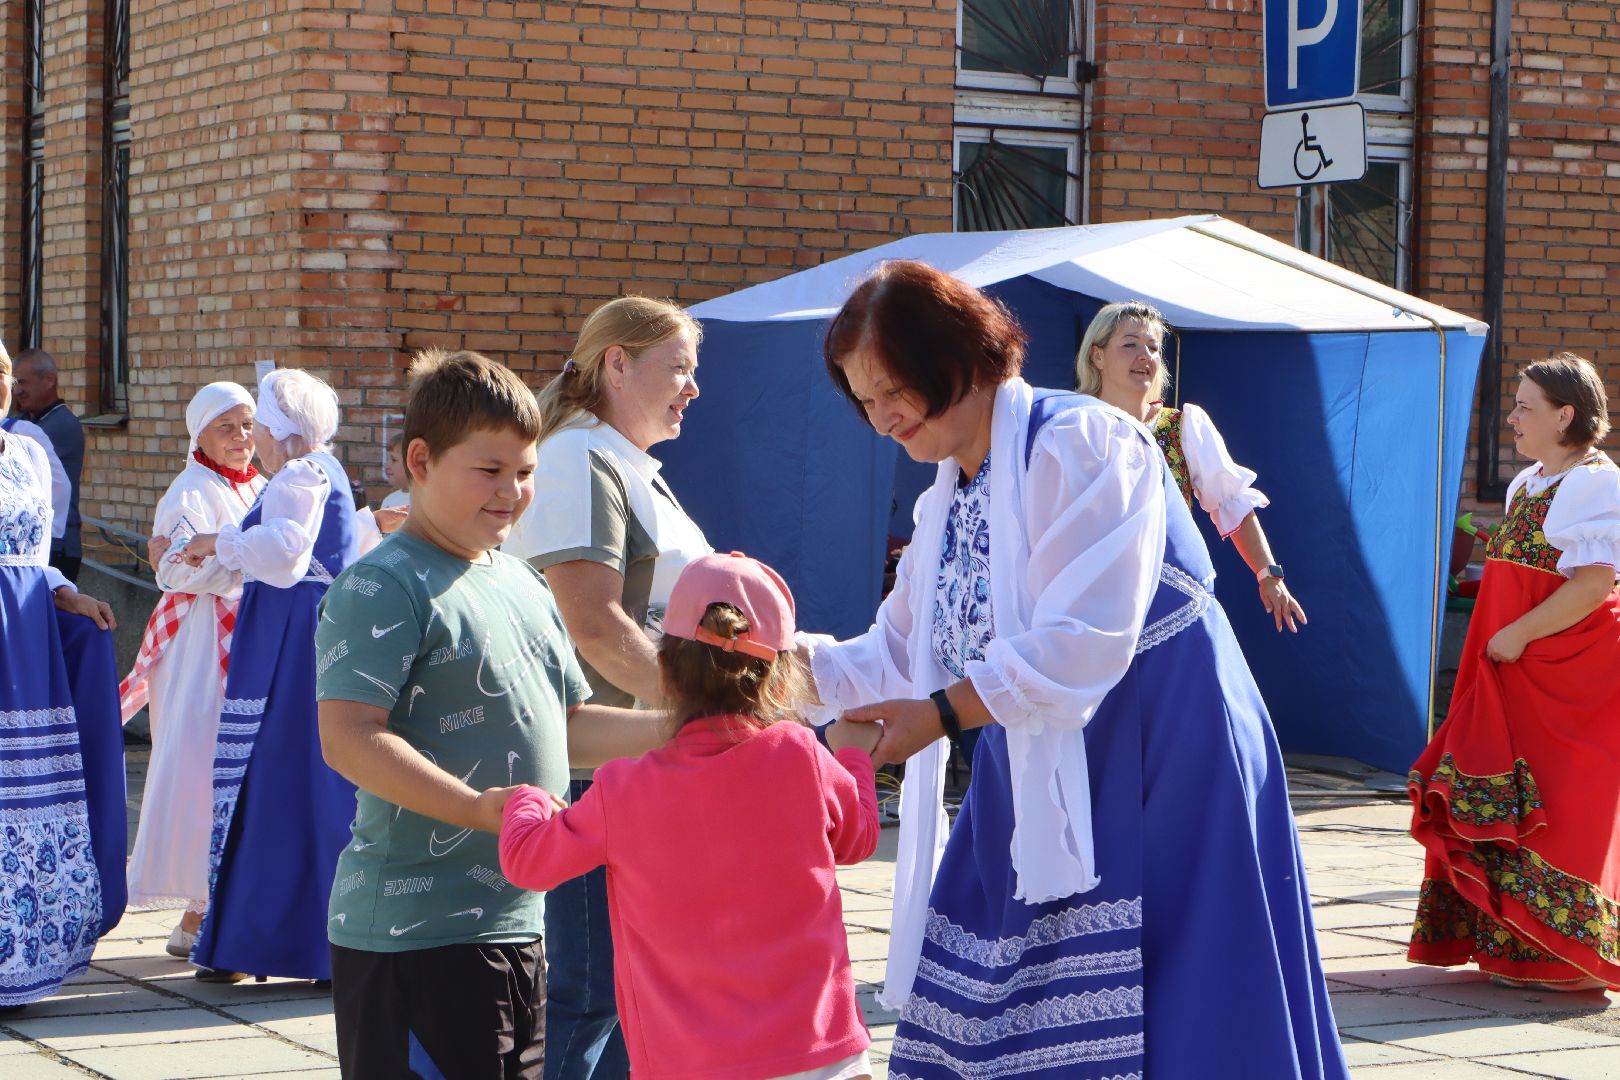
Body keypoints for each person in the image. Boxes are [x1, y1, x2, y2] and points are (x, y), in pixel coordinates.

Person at [805, 261, 1348, 1078]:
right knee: (1004, 992)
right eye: (864, 400)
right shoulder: (947, 499)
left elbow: (1085, 640)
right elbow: (898, 652)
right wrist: (765, 672)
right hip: (1031, 740)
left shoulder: (1083, 441)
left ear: (952, 356)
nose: (880, 419)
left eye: (892, 391)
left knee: (1184, 990)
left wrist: (942, 716)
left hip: (1164, 738)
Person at [316, 348, 667, 1079]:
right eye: (489, 470)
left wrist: (689, 731)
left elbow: (566, 727)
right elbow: (349, 739)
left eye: (527, 471)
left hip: (518, 926)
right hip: (413, 940)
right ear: (420, 460)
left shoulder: (522, 581)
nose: (512, 491)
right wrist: (482, 809)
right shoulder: (382, 586)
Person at [499, 551, 882, 1080]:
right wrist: (855, 756)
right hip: (820, 1052)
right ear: (779, 677)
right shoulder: (801, 756)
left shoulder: (622, 788)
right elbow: (858, 838)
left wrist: (530, 797)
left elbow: (527, 863)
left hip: (687, 1064)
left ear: (663, 672)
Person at [503, 296, 712, 1080]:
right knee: (591, 993)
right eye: (680, 368)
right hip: (593, 769)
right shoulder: (576, 458)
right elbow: (595, 626)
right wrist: (713, 711)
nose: (693, 388)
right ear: (616, 364)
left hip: (641, 763)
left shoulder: (623, 462)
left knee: (631, 989)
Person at [1408, 352, 1620, 992]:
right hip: (1515, 664)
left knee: (1564, 805)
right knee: (1515, 800)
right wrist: (1504, 643)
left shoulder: (1596, 483)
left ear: (1566, 415)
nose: (1513, 418)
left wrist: (1515, 635)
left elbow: (1594, 585)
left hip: (1569, 672)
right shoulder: (1528, 482)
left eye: (1527, 406)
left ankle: (1565, 960)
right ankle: (1517, 946)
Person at [178, 368, 365, 984]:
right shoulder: (327, 471)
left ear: (280, 428)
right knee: (296, 781)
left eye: (257, 422)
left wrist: (217, 540)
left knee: (276, 776)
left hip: (291, 643)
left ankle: (265, 943)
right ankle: (300, 944)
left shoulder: (299, 473)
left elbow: (284, 557)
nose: (252, 433)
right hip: (303, 635)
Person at [118, 382, 265, 960]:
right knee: (203, 767)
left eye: (249, 424)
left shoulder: (261, 484)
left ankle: (221, 904)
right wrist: (245, 565)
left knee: (244, 770)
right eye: (227, 426)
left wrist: (225, 559)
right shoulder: (190, 491)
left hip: (248, 641)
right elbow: (178, 573)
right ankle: (197, 909)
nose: (242, 437)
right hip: (202, 651)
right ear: (198, 433)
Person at [0, 339, 120, 1010]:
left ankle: (27, 953)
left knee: (30, 796)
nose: (0, 386)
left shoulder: (27, 454)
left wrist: (64, 591)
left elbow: (34, 553)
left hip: (28, 644)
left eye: (3, 375)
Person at [1078, 300, 1306, 632]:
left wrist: (1268, 574)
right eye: (1130, 344)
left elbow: (1232, 503)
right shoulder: (1073, 425)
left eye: (1153, 348)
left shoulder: (1182, 427)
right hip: (1095, 599)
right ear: (1097, 356)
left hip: (1167, 595)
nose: (1145, 356)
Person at [12, 348, 84, 582]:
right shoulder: (26, 421)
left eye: (23, 382)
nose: (17, 390)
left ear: (49, 380)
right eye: (13, 383)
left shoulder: (62, 424)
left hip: (58, 545)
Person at [380, 432, 410, 509]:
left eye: (394, 460)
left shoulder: (426, 502)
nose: (386, 466)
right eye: (388, 459)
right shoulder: (388, 501)